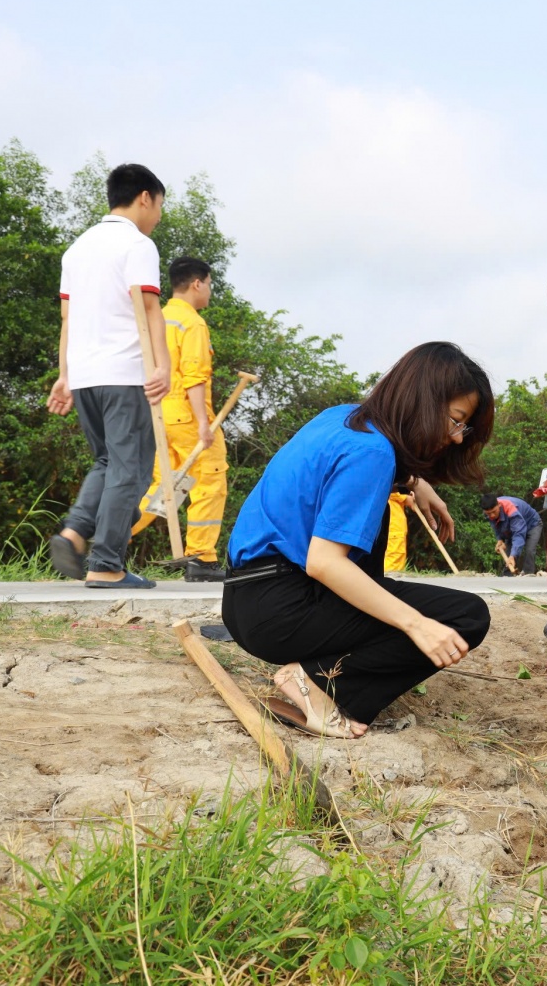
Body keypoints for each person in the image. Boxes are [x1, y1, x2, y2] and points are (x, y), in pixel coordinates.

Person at [221, 342, 494, 738]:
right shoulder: (372, 453)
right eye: (455, 420)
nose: (456, 438)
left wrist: (416, 482)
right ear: (423, 400)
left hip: (247, 601)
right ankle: (320, 684)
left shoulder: (345, 418)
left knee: (379, 516)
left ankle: (321, 672)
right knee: (464, 617)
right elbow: (324, 562)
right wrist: (416, 624)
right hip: (281, 611)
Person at [45, 163, 170, 589]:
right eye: (158, 207)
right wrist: (162, 365)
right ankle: (106, 564)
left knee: (107, 462)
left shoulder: (76, 250)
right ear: (145, 197)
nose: (156, 217)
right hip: (124, 372)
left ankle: (73, 531)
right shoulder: (136, 245)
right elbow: (149, 307)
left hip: (84, 376)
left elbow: (67, 319)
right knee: (130, 470)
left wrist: (64, 376)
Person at [129, 257, 228, 581]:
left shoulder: (158, 317)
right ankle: (201, 559)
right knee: (209, 483)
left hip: (158, 413)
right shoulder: (192, 323)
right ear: (197, 283)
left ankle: (110, 540)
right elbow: (194, 377)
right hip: (187, 415)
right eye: (209, 285)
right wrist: (203, 423)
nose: (209, 292)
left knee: (162, 485)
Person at [483, 493, 543, 575]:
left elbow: (518, 535)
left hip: (532, 525)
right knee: (509, 555)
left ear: (499, 505)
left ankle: (529, 575)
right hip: (512, 528)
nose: (492, 515)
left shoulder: (511, 510)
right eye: (489, 513)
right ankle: (507, 577)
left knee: (529, 550)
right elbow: (496, 525)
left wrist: (513, 555)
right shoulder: (488, 512)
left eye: (494, 512)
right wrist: (500, 539)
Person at [384, 492, 414, 571]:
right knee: (394, 559)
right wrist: (405, 497)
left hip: (394, 528)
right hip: (393, 527)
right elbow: (391, 488)